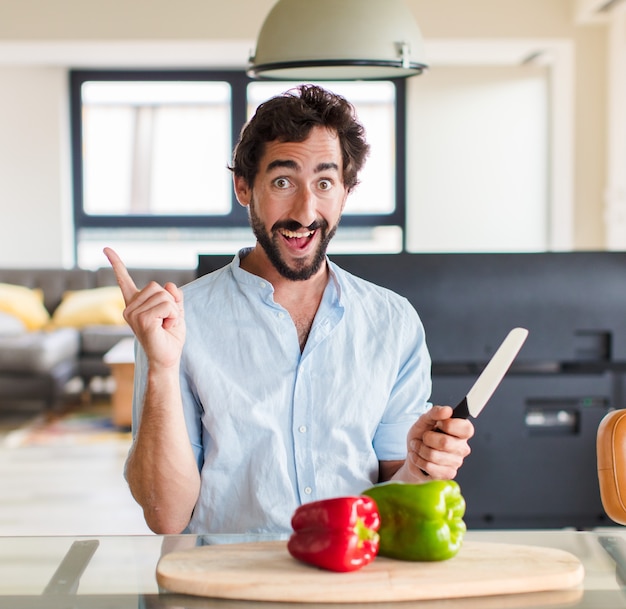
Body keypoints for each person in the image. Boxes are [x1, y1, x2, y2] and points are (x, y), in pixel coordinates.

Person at [105, 84, 474, 535]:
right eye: (283, 181)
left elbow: (393, 496)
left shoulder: (392, 323)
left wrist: (421, 466)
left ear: (345, 192)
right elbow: (166, 516)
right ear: (244, 187)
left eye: (324, 182)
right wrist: (161, 366)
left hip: (349, 583)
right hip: (227, 589)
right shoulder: (179, 326)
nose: (305, 210)